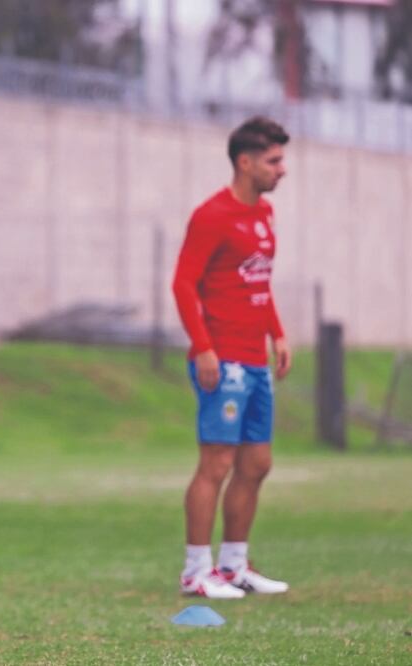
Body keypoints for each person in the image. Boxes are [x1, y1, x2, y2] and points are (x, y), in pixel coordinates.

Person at [171, 116, 293, 600]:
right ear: (245, 162)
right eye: (274, 160)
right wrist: (203, 347)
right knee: (216, 464)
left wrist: (278, 334)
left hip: (255, 360)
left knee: (257, 463)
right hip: (223, 363)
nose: (282, 169)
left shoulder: (264, 214)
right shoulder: (211, 215)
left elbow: (257, 282)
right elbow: (183, 283)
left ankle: (233, 565)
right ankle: (195, 571)